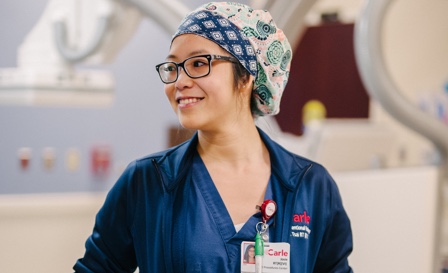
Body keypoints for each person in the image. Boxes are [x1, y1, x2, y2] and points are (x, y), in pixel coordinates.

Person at [74, 2, 353, 273]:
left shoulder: (311, 187)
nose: (179, 81)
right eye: (172, 68)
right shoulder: (146, 182)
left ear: (246, 77)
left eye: (198, 63)